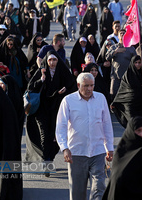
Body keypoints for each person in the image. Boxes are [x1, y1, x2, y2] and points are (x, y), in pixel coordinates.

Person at [56, 72, 114, 200]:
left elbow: (107, 124)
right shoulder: (68, 101)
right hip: (76, 153)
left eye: (92, 85)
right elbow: (61, 126)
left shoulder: (101, 98)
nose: (89, 89)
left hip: (98, 152)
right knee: (77, 193)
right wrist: (64, 148)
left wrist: (109, 147)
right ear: (78, 85)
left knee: (99, 189)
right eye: (86, 85)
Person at [26, 51, 75, 164]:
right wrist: (41, 80)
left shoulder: (63, 71)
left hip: (57, 108)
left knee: (55, 135)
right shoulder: (42, 71)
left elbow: (72, 87)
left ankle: (50, 157)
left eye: (54, 60)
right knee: (44, 134)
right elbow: (30, 86)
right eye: (50, 60)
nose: (52, 63)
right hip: (42, 107)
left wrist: (65, 91)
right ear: (46, 61)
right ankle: (46, 160)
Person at [105, 30, 136, 101]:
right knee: (113, 94)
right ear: (118, 36)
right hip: (115, 75)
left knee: (127, 95)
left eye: (124, 33)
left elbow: (135, 61)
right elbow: (107, 57)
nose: (122, 35)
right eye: (120, 34)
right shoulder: (113, 47)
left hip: (127, 76)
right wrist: (115, 51)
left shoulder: (131, 48)